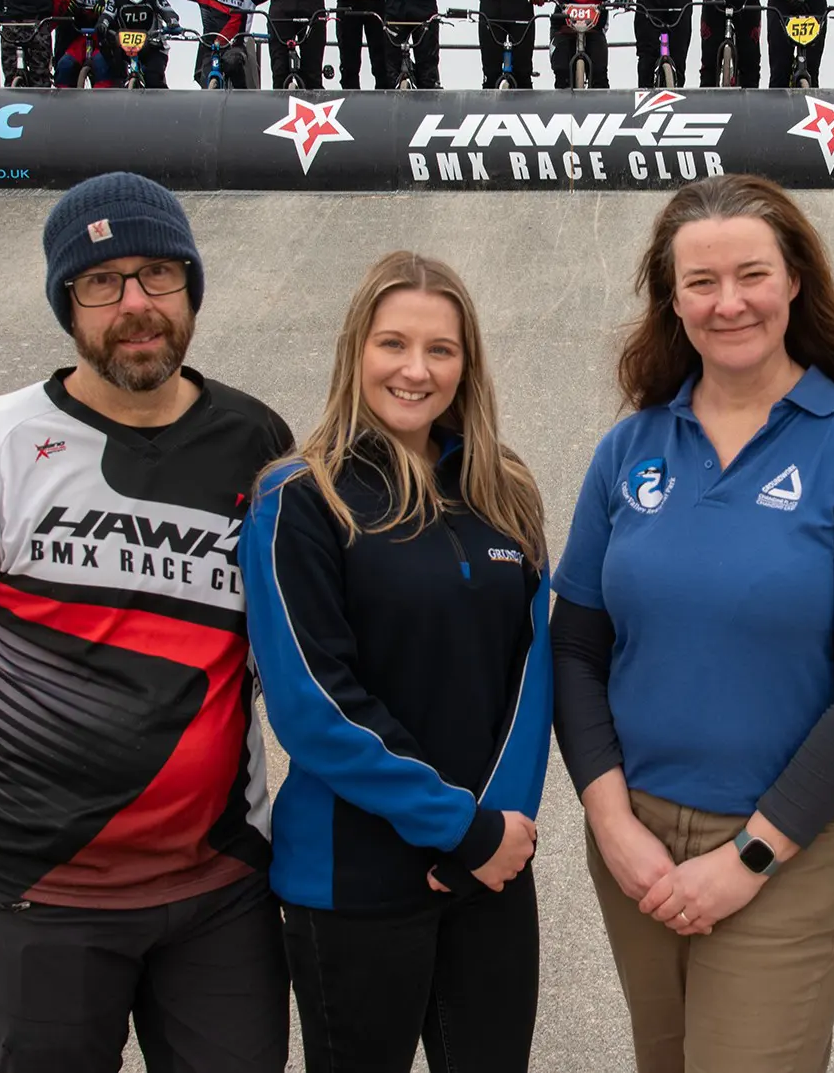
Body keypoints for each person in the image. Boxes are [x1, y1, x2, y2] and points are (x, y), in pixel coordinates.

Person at [0, 171, 295, 1071]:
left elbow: (281, 649)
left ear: (192, 288)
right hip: (43, 896)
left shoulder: (258, 442)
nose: (135, 304)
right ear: (67, 301)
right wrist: (7, 798)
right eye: (102, 282)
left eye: (157, 274)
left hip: (222, 888)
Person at [552, 174, 834, 1073]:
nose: (729, 304)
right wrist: (610, 822)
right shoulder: (631, 446)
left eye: (752, 274)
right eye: (700, 282)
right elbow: (575, 646)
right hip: (637, 840)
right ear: (671, 297)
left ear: (796, 279)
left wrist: (750, 854)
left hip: (786, 854)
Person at [244, 251, 552, 1072]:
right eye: (393, 343)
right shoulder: (301, 496)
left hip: (491, 864)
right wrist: (454, 826)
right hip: (352, 881)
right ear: (356, 351)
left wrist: (495, 830)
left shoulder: (504, 491)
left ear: (467, 363)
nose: (416, 370)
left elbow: (533, 675)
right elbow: (313, 704)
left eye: (441, 349)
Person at [162, 0, 269, 89]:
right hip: (208, 47)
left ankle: (242, 100)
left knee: (234, 63)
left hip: (235, 47)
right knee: (204, 78)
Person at [94, 0, 180, 89]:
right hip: (123, 45)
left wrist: (172, 21)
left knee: (154, 78)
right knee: (114, 75)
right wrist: (102, 24)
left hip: (153, 45)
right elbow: (107, 13)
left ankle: (161, 107)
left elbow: (166, 9)